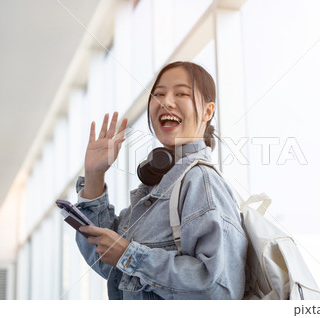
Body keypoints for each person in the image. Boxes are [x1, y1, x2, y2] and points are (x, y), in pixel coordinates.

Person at [74, 61, 247, 300]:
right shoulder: (157, 187)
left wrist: (128, 255)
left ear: (207, 112)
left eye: (181, 93)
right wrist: (94, 176)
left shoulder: (200, 181)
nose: (166, 101)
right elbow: (107, 264)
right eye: (158, 94)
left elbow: (218, 290)